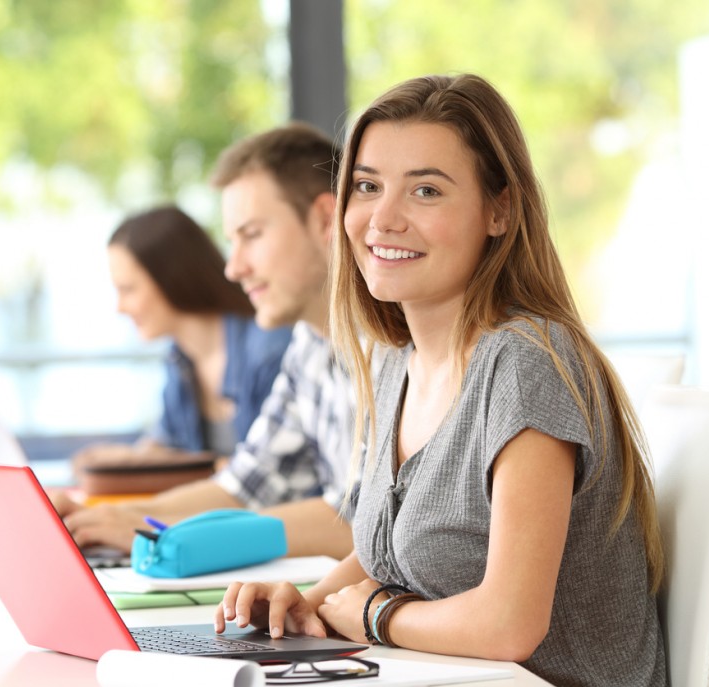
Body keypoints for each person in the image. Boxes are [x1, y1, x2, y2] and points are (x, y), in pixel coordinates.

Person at [216, 74, 668, 687]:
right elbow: (389, 549)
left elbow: (509, 624)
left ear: (499, 210)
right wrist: (310, 602)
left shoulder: (525, 363)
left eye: (426, 190)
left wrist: (376, 614)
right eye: (368, 186)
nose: (383, 218)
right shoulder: (393, 362)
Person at [55, 123, 358, 559]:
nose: (233, 269)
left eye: (251, 235)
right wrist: (125, 517)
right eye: (231, 241)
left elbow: (367, 524)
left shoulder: (396, 348)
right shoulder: (308, 348)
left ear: (326, 220)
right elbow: (244, 486)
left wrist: (164, 532)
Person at [70, 206, 291, 477]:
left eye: (127, 289)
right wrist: (125, 459)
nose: (120, 308)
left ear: (171, 278)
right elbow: (168, 444)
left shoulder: (270, 350)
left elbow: (266, 475)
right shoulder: (180, 359)